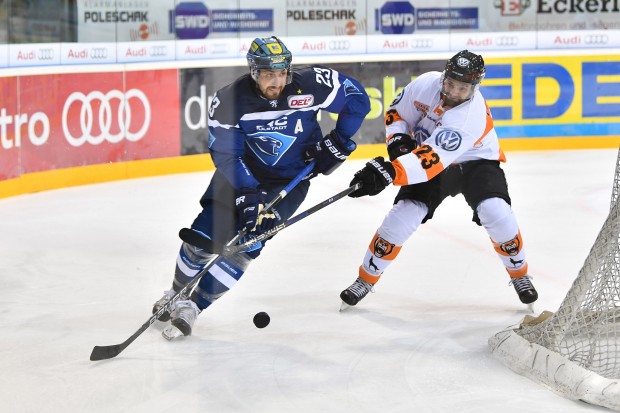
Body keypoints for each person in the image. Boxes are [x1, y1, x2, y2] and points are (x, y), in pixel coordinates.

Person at [152, 36, 370, 338]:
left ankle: (195, 306)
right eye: (269, 74)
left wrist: (338, 140)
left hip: (290, 182)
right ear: (254, 72)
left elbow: (357, 99)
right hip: (238, 176)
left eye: (282, 73)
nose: (277, 82)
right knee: (202, 238)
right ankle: (176, 294)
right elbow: (226, 153)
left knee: (248, 244)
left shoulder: (312, 83)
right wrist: (247, 192)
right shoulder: (229, 100)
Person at [340, 50, 537, 309]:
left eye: (463, 88)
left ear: (475, 87)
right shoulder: (425, 83)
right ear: (444, 76)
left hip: (476, 162)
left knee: (496, 211)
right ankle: (365, 279)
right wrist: (398, 144)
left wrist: (391, 171)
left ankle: (519, 274)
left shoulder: (469, 116)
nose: (454, 92)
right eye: (450, 84)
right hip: (428, 159)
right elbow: (397, 113)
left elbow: (430, 160)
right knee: (404, 215)